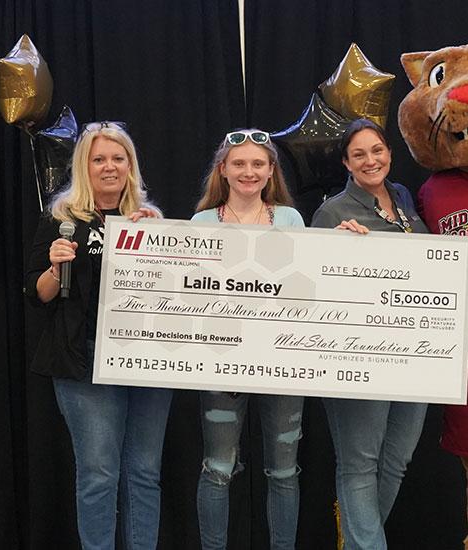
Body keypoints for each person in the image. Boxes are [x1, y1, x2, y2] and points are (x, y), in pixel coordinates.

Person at [25, 122, 172, 550]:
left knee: (145, 472)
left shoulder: (152, 220)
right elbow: (37, 295)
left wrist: (160, 240)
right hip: (82, 359)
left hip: (146, 362)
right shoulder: (61, 220)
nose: (109, 167)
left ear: (131, 166)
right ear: (84, 166)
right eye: (99, 159)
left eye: (118, 158)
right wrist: (54, 269)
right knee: (98, 474)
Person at [310, 118, 430, 550]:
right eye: (358, 154)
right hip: (357, 359)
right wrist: (336, 247)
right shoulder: (333, 212)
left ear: (390, 153)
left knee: (396, 461)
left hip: (414, 355)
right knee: (360, 464)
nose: (370, 160)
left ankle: (360, 542)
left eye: (376, 150)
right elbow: (312, 286)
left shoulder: (404, 199)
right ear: (346, 162)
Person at [190, 129, 306, 550]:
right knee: (218, 469)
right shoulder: (201, 224)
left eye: (258, 164)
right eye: (238, 163)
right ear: (223, 169)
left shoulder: (291, 220)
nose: (248, 171)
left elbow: (307, 286)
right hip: (221, 367)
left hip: (281, 365)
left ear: (271, 170)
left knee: (284, 472)